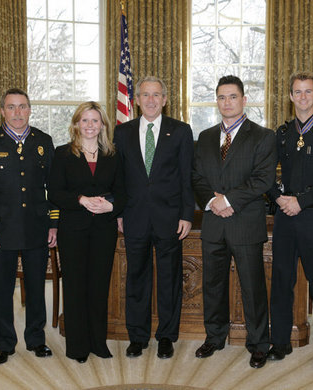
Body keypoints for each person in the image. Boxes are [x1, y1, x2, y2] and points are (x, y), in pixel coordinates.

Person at [192, 75, 277, 369]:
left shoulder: (263, 136)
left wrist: (227, 201)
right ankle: (215, 337)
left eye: (232, 97)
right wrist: (212, 202)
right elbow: (197, 177)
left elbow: (263, 180)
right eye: (221, 97)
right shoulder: (203, 137)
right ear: (216, 101)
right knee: (212, 285)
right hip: (213, 224)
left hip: (245, 222)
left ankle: (258, 343)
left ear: (243, 99)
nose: (226, 102)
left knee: (252, 286)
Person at [0, 88, 57, 365]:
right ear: (2, 111)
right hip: (0, 231)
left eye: (22, 107)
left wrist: (53, 224)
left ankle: (36, 340)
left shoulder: (43, 141)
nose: (17, 113)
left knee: (35, 288)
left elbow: (53, 188)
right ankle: (4, 343)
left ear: (30, 109)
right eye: (11, 107)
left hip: (36, 228)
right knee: (3, 289)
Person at [113, 76, 194, 360]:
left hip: (170, 218)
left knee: (170, 279)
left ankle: (166, 336)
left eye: (156, 95)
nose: (150, 100)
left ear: (164, 99)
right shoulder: (122, 132)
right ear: (135, 100)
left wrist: (186, 214)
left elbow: (187, 176)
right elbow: (119, 179)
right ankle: (137, 337)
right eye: (145, 95)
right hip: (134, 217)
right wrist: (119, 213)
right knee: (136, 277)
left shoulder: (181, 131)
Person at [267, 72, 313, 370]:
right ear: (290, 96)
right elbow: (265, 172)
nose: (302, 97)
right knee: (281, 282)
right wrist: (278, 198)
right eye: (297, 92)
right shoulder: (282, 133)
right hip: (286, 217)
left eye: (307, 92)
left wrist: (302, 200)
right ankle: (281, 342)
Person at [48, 102, 127, 363]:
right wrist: (80, 199)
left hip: (103, 230)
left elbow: (123, 191)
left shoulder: (113, 155)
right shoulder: (62, 154)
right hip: (73, 229)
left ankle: (98, 342)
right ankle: (77, 346)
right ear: (75, 124)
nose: (90, 126)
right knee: (75, 286)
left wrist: (112, 205)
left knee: (98, 286)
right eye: (85, 120)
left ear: (103, 125)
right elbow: (56, 192)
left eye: (95, 121)